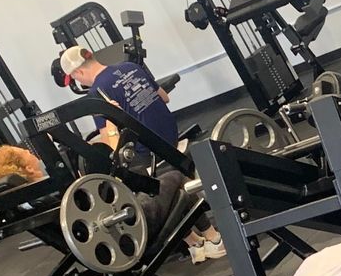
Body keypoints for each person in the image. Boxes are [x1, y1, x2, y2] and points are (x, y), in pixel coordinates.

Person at [58, 46, 225, 262]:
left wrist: (105, 125)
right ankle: (196, 242)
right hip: (170, 136)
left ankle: (211, 238)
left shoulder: (96, 94)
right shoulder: (130, 67)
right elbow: (164, 98)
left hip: (148, 150)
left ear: (78, 74)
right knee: (166, 178)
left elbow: (112, 141)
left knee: (140, 183)